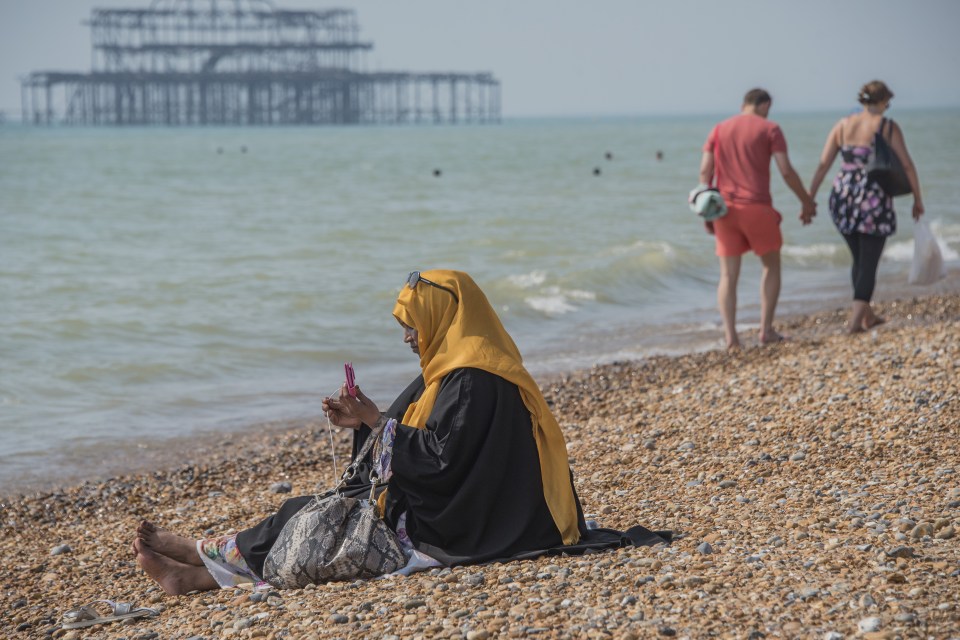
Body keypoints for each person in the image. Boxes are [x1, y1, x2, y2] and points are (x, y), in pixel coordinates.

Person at [132, 270, 668, 594]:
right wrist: (360, 424)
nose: (409, 338)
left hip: (465, 522)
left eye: (413, 325)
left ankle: (199, 566)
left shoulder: (474, 378)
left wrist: (372, 420)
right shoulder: (458, 367)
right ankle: (201, 563)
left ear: (441, 317)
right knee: (303, 511)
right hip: (459, 504)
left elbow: (440, 460)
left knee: (316, 529)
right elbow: (421, 439)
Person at [698, 88, 817, 349]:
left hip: (724, 211)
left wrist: (707, 212)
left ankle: (731, 338)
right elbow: (785, 171)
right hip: (757, 208)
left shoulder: (718, 129)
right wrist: (806, 201)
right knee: (771, 266)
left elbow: (705, 171)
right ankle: (766, 331)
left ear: (744, 105)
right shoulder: (770, 128)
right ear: (766, 105)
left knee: (728, 276)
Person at [807, 80, 924, 333]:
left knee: (860, 260)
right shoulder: (887, 126)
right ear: (882, 101)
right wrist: (917, 199)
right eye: (887, 103)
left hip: (842, 198)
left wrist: (809, 200)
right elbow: (907, 165)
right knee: (868, 263)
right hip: (873, 200)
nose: (887, 107)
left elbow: (822, 166)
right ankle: (854, 324)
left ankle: (867, 316)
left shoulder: (842, 126)